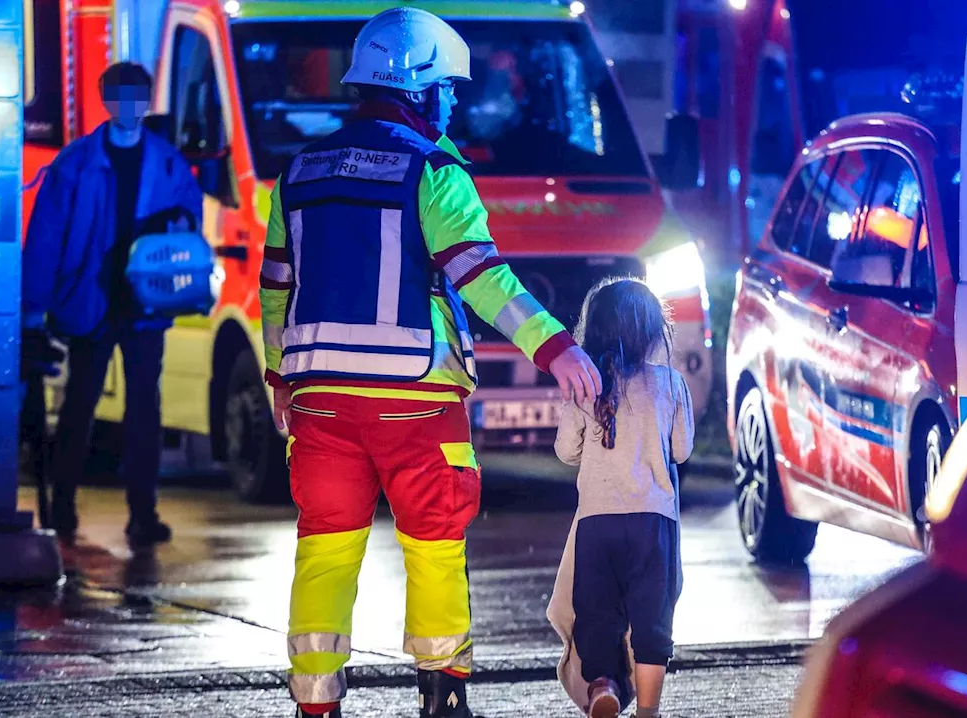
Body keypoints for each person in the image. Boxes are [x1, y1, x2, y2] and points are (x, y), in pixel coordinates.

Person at [257, 8, 602, 718]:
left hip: (319, 399)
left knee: (324, 550)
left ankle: (315, 703)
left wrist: (276, 375)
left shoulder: (298, 174)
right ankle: (444, 697)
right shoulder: (434, 171)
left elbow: (274, 289)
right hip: (416, 399)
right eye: (446, 89)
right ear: (415, 88)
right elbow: (482, 279)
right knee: (434, 545)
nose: (451, 103)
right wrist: (556, 345)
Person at [22, 62, 202, 546]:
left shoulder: (165, 162)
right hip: (92, 302)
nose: (128, 104)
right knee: (81, 405)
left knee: (145, 411)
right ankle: (62, 507)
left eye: (136, 95)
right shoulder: (76, 163)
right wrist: (34, 309)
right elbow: (45, 237)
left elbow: (190, 222)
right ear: (106, 99)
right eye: (120, 95)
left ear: (146, 100)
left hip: (144, 306)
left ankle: (142, 513)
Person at [548, 278, 694, 718]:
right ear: (653, 333)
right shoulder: (669, 383)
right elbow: (682, 449)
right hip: (654, 522)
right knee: (651, 619)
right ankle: (647, 709)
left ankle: (602, 687)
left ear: (592, 330)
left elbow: (565, 451)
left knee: (597, 614)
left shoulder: (586, 384)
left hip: (597, 521)